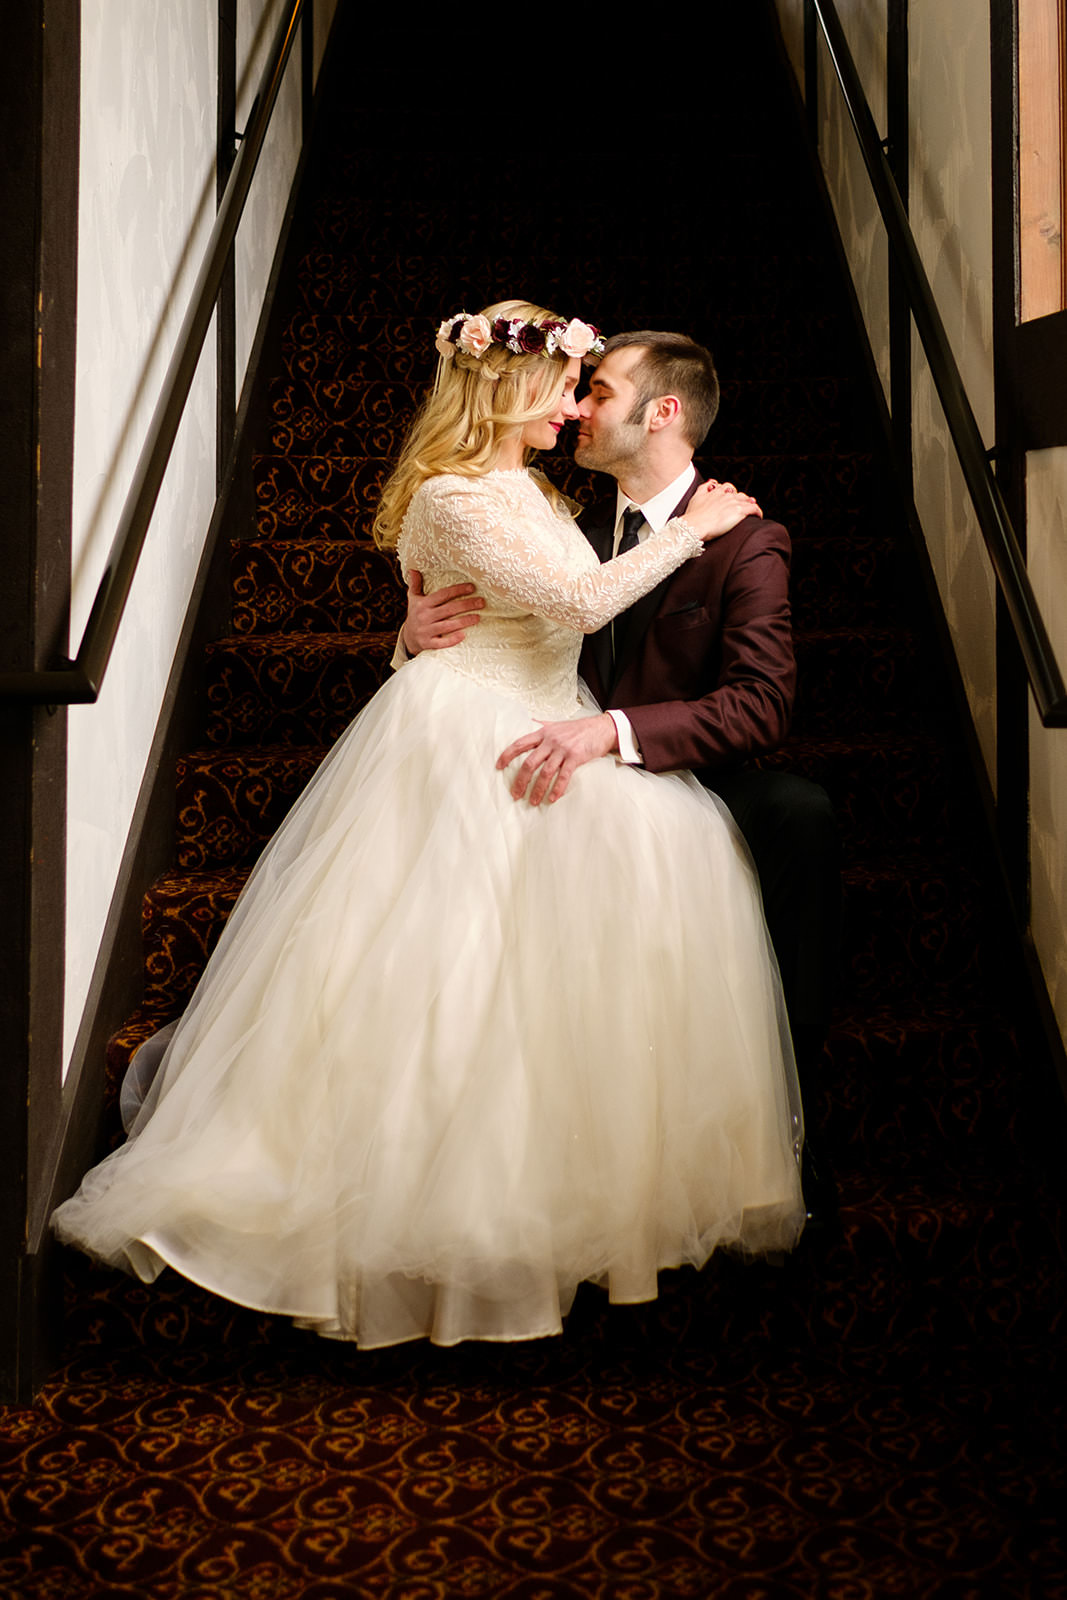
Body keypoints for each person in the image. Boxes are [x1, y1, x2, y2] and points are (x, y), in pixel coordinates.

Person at [52, 300, 806, 1349]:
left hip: (550, 717)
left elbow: (525, 614)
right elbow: (575, 603)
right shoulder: (461, 496)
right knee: (446, 975)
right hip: (471, 737)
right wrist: (677, 536)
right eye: (567, 382)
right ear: (508, 386)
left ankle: (571, 1184)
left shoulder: (543, 493)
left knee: (632, 886)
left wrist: (430, 637)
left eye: (592, 385)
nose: (577, 403)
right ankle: (420, 1217)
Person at [402, 330, 840, 1218]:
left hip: (655, 756)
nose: (576, 411)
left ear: (661, 413)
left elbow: (759, 706)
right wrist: (412, 637)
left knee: (799, 813)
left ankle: (782, 1119)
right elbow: (500, 621)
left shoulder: (742, 541)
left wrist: (612, 732)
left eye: (596, 392)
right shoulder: (553, 513)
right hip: (534, 746)